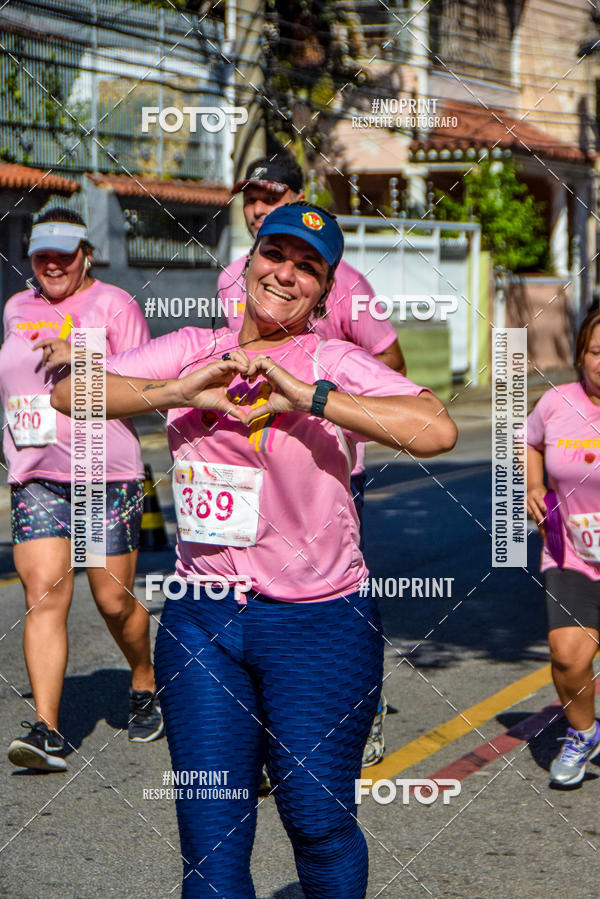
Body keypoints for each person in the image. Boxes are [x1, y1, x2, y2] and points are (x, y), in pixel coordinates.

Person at [53, 202, 457, 896]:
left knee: (317, 820)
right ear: (247, 264)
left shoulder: (332, 359)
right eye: (276, 254)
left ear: (324, 292)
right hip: (203, 619)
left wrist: (311, 397)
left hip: (320, 621)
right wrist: (180, 389)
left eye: (308, 268)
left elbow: (436, 428)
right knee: (209, 840)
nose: (286, 274)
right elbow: (69, 391)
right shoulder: (191, 348)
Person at [220, 153, 406, 766]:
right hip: (245, 468)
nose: (257, 207)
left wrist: (328, 408)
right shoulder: (230, 277)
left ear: (299, 198)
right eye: (250, 198)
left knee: (335, 589)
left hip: (325, 471)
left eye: (270, 196)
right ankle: (266, 729)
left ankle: (360, 708)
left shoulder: (345, 280)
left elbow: (394, 370)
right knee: (251, 596)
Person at [1, 208, 163, 772]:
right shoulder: (16, 308)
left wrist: (87, 356)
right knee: (43, 595)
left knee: (113, 601)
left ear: (86, 254)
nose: (51, 263)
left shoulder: (114, 304)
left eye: (64, 254)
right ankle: (46, 730)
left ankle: (144, 680)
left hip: (106, 473)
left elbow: (151, 386)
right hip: (36, 476)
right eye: (42, 253)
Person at [527, 306, 600, 786]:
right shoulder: (556, 404)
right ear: (581, 354)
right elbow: (529, 440)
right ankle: (583, 733)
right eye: (597, 351)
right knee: (569, 658)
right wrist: (534, 483)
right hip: (571, 552)